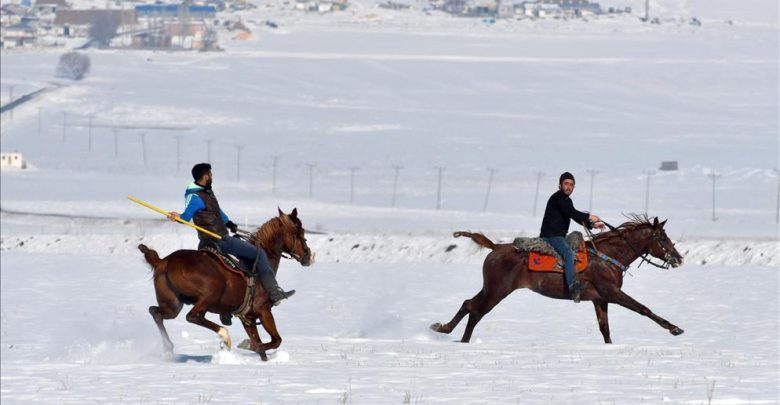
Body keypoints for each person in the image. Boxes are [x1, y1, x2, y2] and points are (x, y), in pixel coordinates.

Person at [168, 163, 295, 320]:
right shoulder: (195, 196)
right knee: (260, 253)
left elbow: (216, 211)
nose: (212, 177)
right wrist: (177, 217)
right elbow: (186, 216)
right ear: (206, 176)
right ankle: (275, 293)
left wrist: (228, 222)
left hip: (219, 236)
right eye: (211, 175)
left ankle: (227, 309)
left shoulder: (206, 192)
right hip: (219, 240)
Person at [539, 172, 604, 303]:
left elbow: (574, 216)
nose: (569, 187)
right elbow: (573, 213)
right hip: (551, 236)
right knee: (569, 254)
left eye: (571, 185)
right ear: (560, 185)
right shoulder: (558, 198)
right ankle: (573, 288)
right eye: (566, 184)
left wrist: (592, 225)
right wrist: (589, 216)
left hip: (559, 236)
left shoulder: (566, 200)